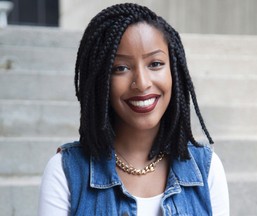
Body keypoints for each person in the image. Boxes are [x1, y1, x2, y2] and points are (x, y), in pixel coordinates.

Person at [38, 3, 229, 216]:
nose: (142, 82)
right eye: (121, 68)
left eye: (155, 63)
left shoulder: (207, 169)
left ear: (174, 71)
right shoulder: (66, 172)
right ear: (101, 80)